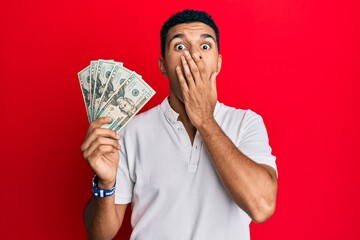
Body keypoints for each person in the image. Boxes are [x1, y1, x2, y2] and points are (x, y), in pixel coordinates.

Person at [81, 9, 278, 240]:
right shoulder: (131, 131)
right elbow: (100, 235)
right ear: (163, 65)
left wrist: (205, 120)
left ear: (219, 63)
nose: (193, 56)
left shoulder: (246, 123)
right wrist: (105, 183)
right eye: (180, 47)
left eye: (205, 46)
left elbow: (262, 207)